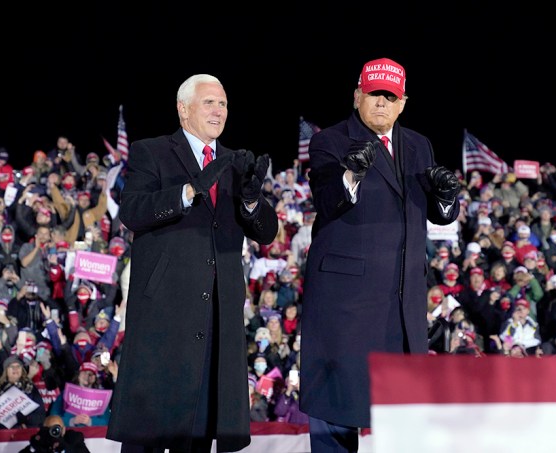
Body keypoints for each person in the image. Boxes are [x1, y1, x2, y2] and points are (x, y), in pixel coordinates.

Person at [106, 73, 278, 453]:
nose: (219, 111)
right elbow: (132, 212)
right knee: (147, 433)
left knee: (200, 433)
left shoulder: (235, 162)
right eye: (210, 102)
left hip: (216, 315)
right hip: (164, 316)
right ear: (183, 110)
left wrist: (251, 201)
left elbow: (266, 233)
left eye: (224, 103)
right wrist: (190, 190)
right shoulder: (151, 151)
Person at [299, 57, 460, 452]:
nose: (382, 104)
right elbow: (325, 198)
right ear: (357, 97)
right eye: (374, 95)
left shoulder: (419, 145)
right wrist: (349, 175)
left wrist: (446, 198)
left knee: (403, 422)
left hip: (402, 307)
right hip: (346, 310)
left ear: (403, 102)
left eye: (390, 96)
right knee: (337, 414)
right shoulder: (331, 141)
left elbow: (437, 214)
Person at [19, 414, 90, 453]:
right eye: (49, 429)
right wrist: (33, 447)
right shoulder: (41, 443)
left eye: (56, 429)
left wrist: (63, 448)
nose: (53, 432)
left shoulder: (73, 440)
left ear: (64, 429)